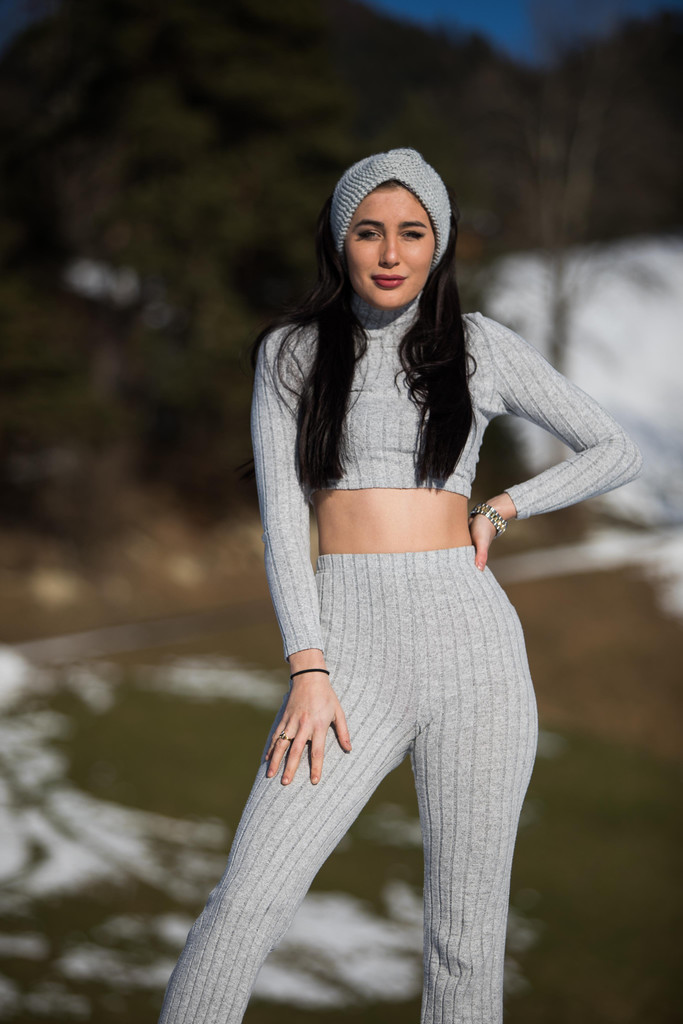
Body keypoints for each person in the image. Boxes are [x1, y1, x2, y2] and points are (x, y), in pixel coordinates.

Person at [157, 148, 642, 1024]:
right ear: (338, 242)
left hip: (475, 655)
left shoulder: (479, 346)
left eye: (412, 233)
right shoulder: (291, 353)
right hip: (344, 663)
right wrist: (308, 668)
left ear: (438, 243)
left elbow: (614, 449)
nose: (390, 253)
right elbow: (283, 526)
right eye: (368, 232)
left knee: (464, 944)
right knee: (243, 905)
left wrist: (502, 508)